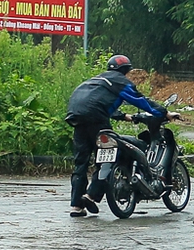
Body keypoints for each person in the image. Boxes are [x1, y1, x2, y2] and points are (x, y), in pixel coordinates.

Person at [64, 54, 170, 217]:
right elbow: (140, 100)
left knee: (81, 163)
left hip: (77, 119)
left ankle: (76, 206)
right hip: (97, 120)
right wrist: (163, 112)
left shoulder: (95, 81)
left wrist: (123, 116)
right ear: (126, 70)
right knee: (108, 156)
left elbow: (98, 102)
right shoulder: (121, 81)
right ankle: (92, 196)